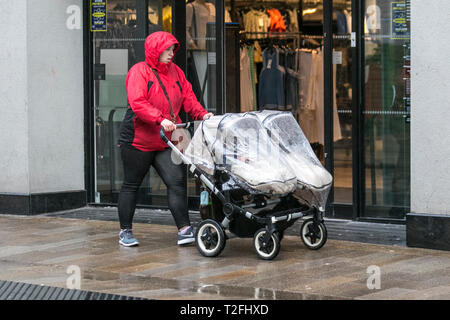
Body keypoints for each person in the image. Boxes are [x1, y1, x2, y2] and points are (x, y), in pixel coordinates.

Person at [116, 31, 213, 247]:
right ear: (155, 50)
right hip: (138, 140)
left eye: (172, 50)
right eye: (167, 50)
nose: (171, 54)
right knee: (131, 185)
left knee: (176, 182)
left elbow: (188, 97)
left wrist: (202, 114)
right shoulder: (139, 72)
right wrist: (159, 119)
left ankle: (185, 229)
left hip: (165, 140)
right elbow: (138, 102)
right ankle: (125, 231)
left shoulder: (176, 72)